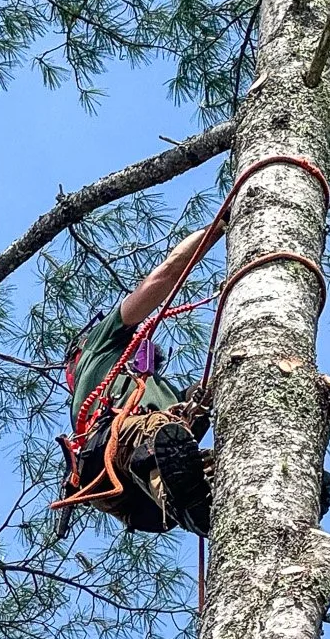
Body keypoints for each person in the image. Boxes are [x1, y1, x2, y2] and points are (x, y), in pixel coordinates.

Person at [54, 226, 220, 538]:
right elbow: (166, 275)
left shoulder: (159, 391)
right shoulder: (98, 349)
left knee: (205, 458)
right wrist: (216, 228)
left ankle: (264, 493)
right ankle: (186, 500)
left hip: (137, 499)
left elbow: (199, 402)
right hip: (121, 448)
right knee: (160, 431)